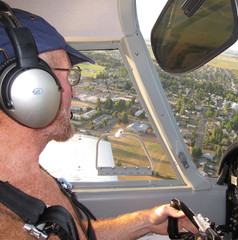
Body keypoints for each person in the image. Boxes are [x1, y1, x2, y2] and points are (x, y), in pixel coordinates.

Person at [0, 6, 198, 240]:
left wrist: (145, 222)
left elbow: (76, 233)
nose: (73, 92)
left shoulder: (29, 171)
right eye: (67, 75)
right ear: (31, 88)